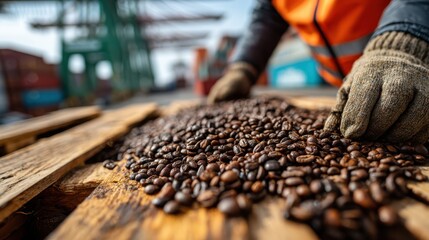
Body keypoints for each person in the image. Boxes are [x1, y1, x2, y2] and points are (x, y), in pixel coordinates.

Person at [208, 0, 429, 143]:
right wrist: (244, 65)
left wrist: (406, 41)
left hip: (414, 68)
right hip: (343, 89)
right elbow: (267, 15)